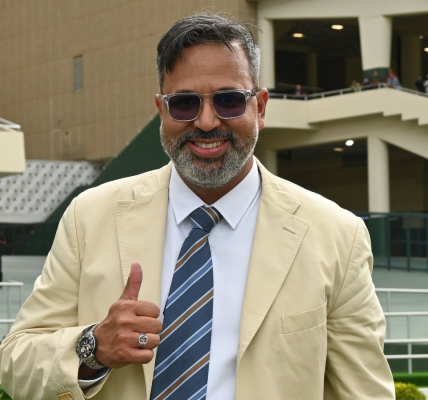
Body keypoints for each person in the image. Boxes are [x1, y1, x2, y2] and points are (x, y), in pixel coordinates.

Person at [0, 13, 394, 400]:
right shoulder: (89, 216)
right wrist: (93, 348)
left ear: (260, 107)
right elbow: (16, 364)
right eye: (185, 103)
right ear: (162, 111)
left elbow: (366, 392)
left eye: (229, 100)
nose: (206, 122)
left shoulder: (337, 236)